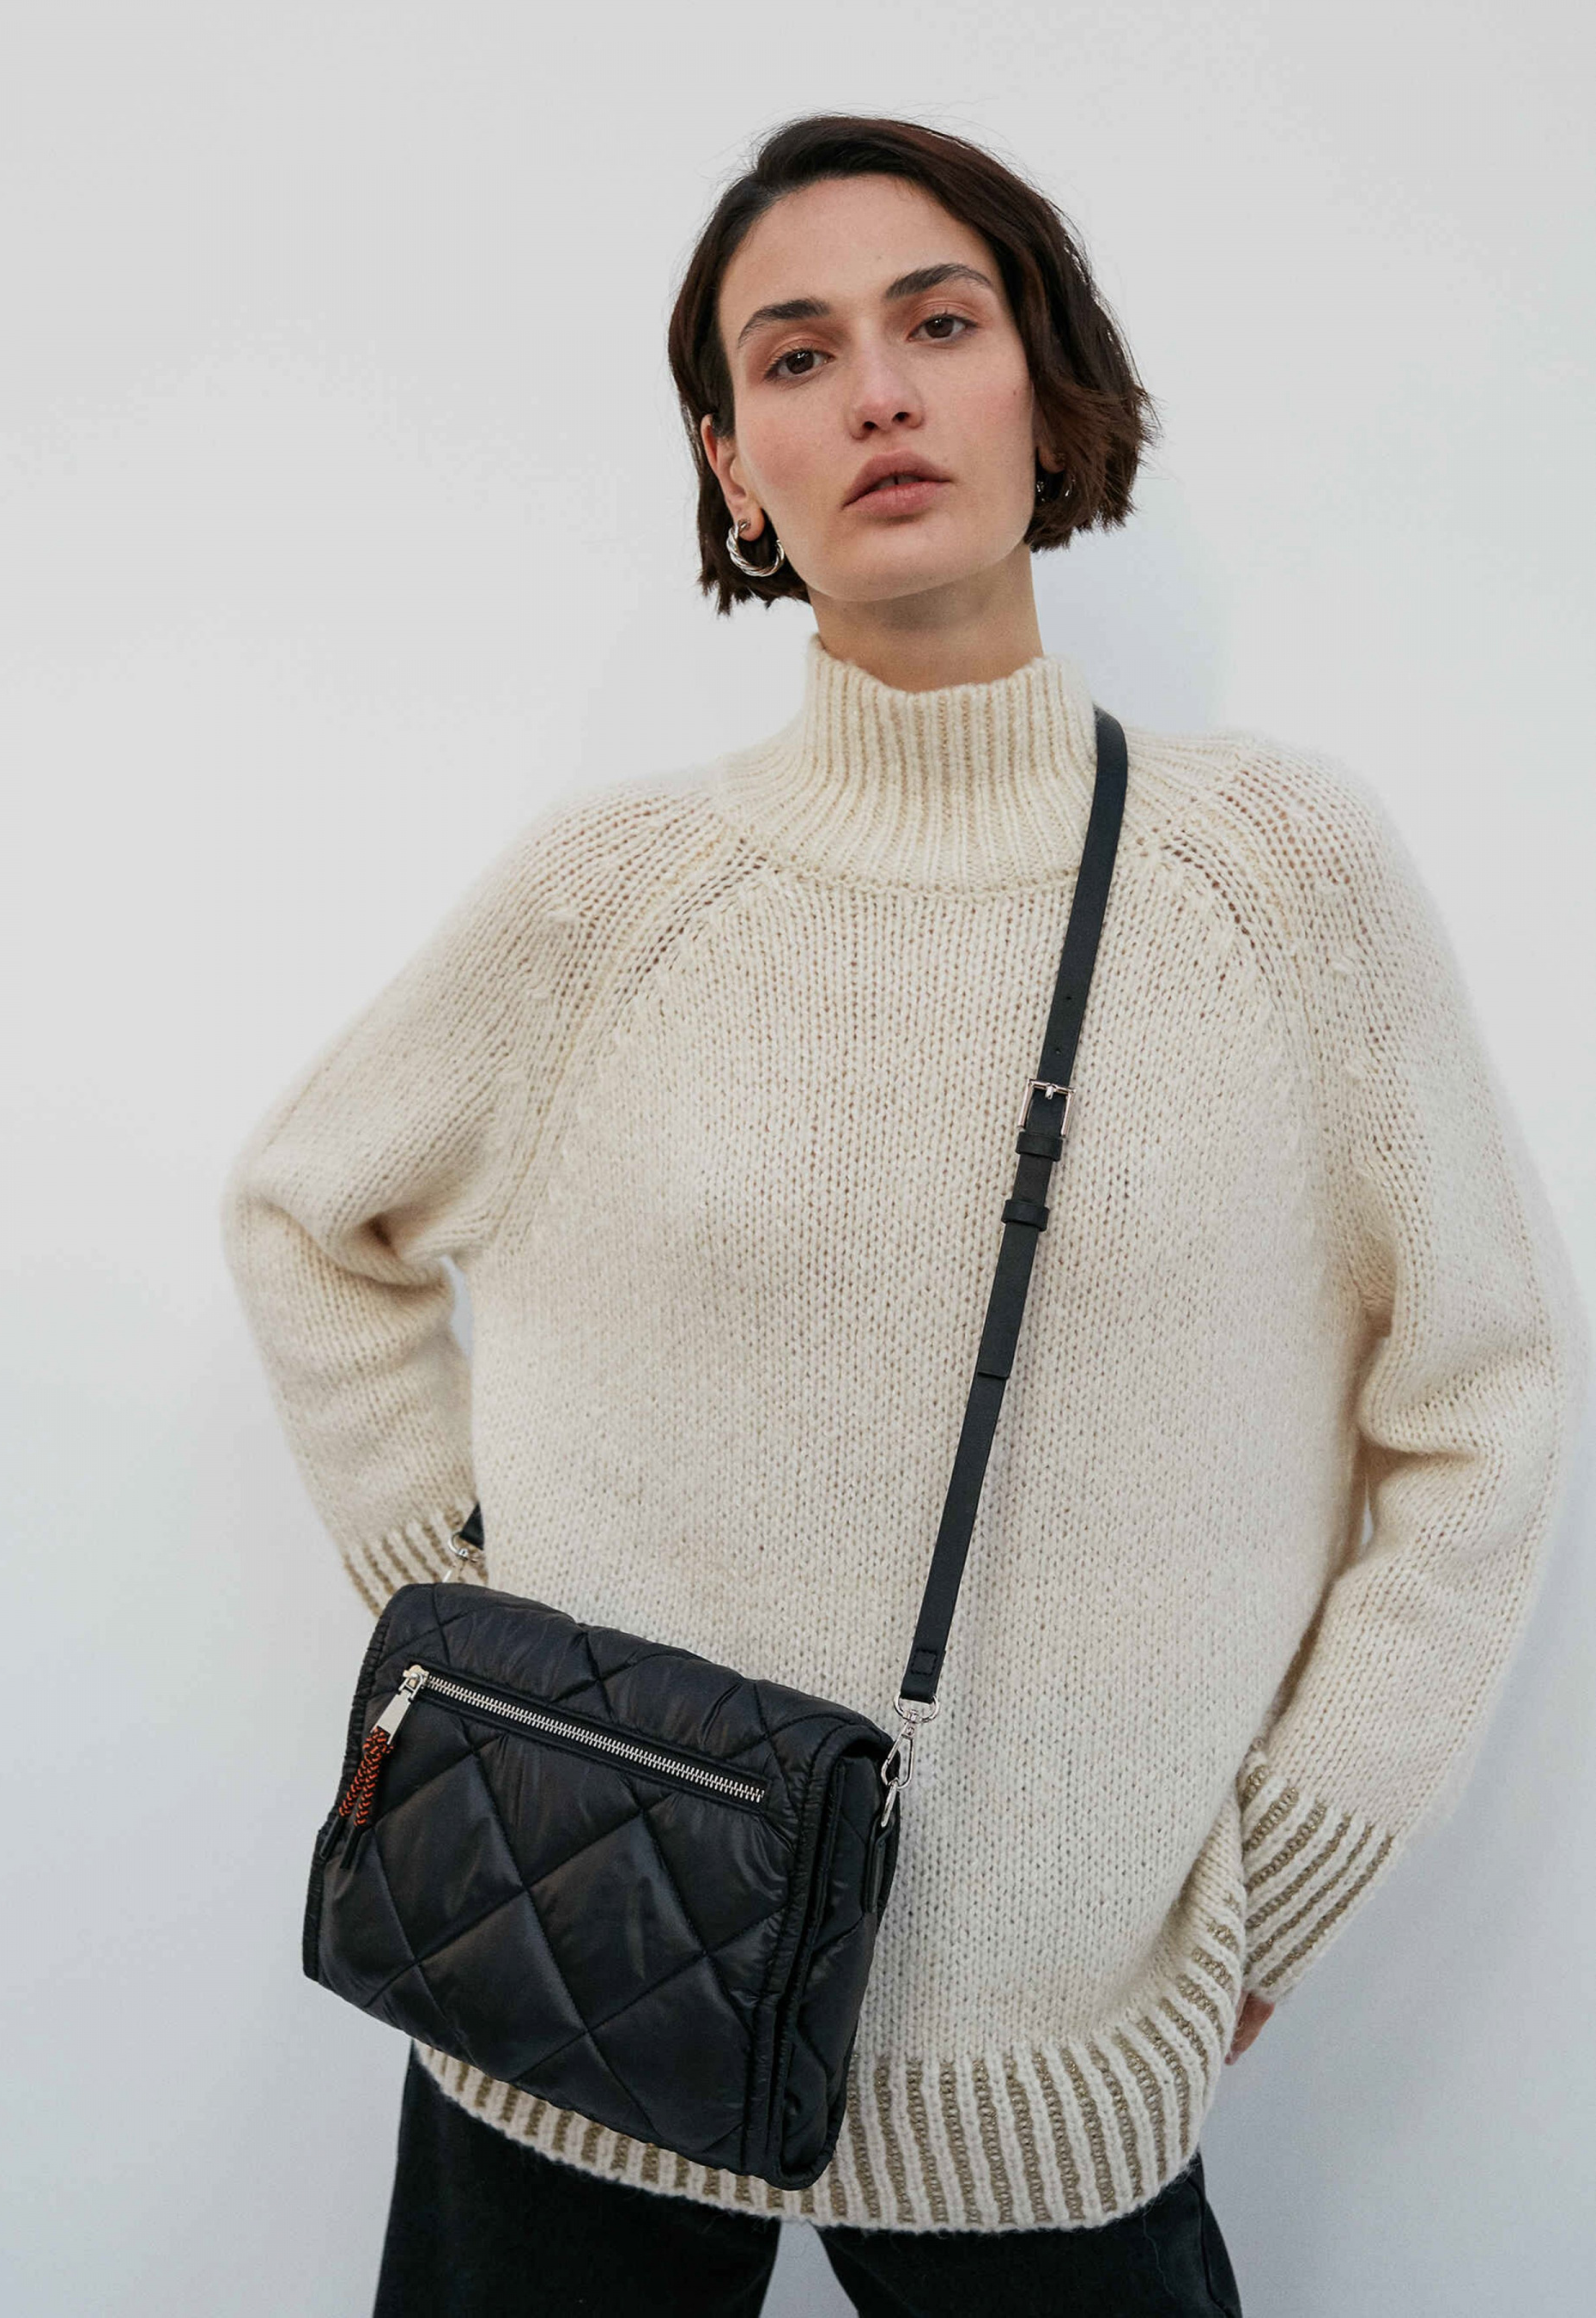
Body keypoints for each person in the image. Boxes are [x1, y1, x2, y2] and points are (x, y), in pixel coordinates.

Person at [221, 112, 1587, 2317]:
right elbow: (306, 1215)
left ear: (1042, 388)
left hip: (1053, 2047)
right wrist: (453, 1619)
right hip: (577, 1972)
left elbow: (1482, 1402)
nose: (873, 391)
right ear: (731, 466)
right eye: (793, 355)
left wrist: (1288, 1869)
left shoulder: (1278, 879)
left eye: (936, 325)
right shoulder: (611, 896)